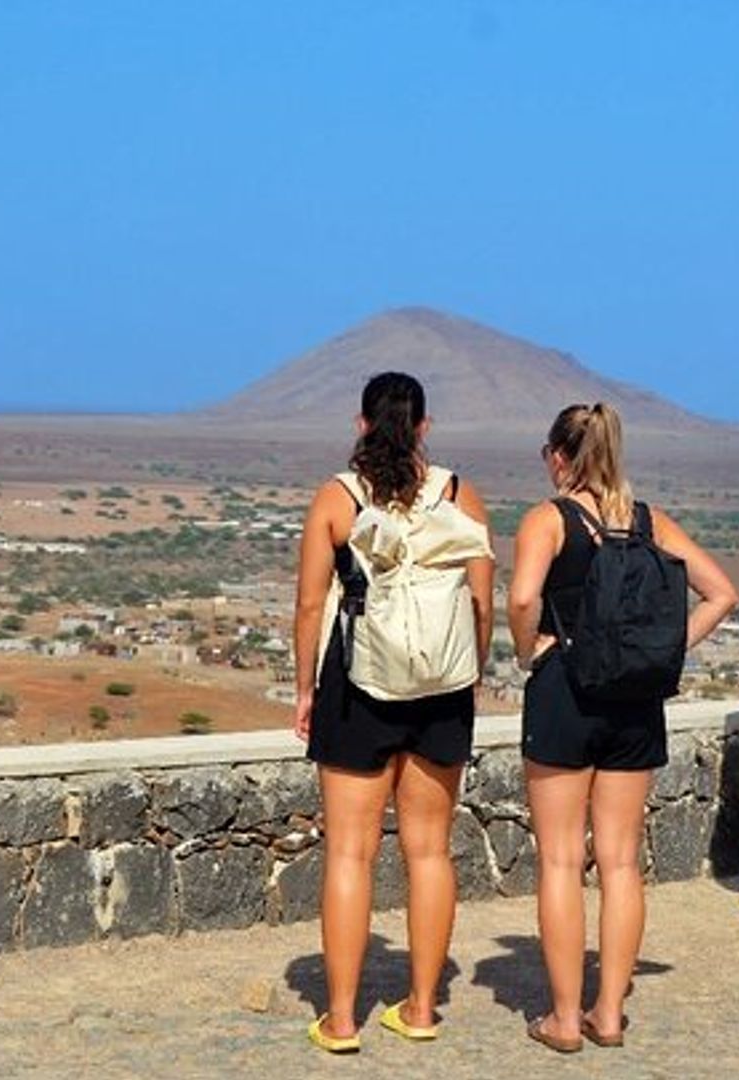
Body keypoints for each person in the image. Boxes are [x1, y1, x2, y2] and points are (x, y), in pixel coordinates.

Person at [508, 403, 737, 1053]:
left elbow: (524, 597)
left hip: (565, 694)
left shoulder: (547, 520)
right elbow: (721, 592)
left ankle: (562, 1017)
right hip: (636, 700)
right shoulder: (648, 522)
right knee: (620, 862)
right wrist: (664, 652)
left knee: (559, 859)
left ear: (558, 456)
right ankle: (609, 1012)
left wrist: (531, 652)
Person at [293, 373, 495, 1054]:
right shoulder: (460, 493)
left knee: (349, 851)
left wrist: (304, 691)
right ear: (424, 429)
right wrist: (470, 674)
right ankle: (419, 1009)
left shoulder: (337, 498)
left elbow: (309, 607)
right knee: (430, 851)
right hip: (442, 686)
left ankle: (342, 1019)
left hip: (356, 687)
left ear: (360, 424)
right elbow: (481, 602)